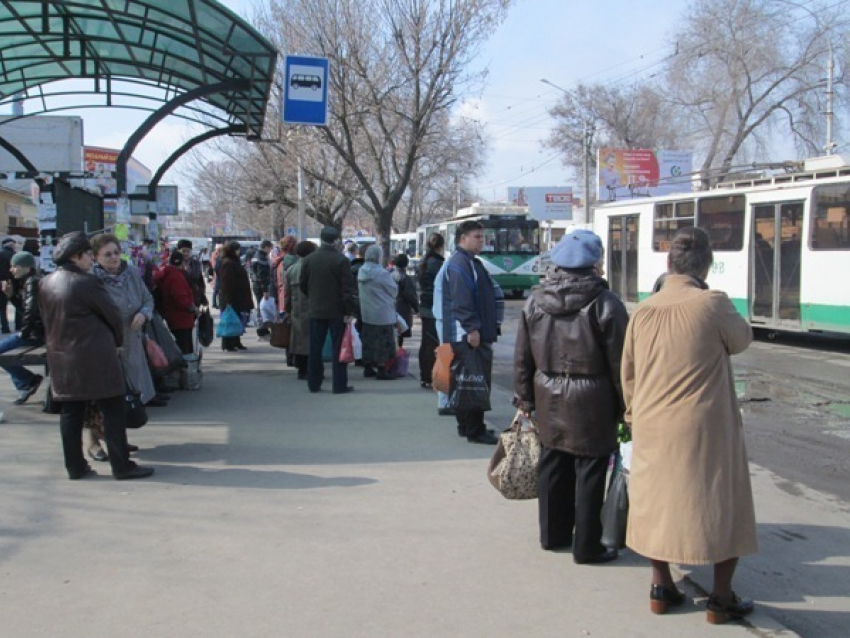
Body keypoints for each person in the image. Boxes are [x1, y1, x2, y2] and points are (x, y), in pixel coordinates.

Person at [622, 226, 757, 622]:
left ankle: (661, 587)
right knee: (721, 505)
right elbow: (742, 339)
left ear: (668, 265)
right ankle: (720, 597)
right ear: (707, 266)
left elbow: (627, 374)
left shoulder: (643, 310)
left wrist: (633, 415)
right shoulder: (712, 302)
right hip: (705, 428)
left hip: (651, 424)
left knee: (655, 506)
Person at [513, 229, 628, 564]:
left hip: (547, 394)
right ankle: (587, 545)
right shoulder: (606, 304)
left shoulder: (535, 301)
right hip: (593, 399)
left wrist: (525, 398)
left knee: (553, 462)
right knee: (590, 469)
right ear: (594, 263)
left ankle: (553, 535)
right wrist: (626, 406)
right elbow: (622, 362)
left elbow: (523, 356)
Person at [39, 231, 154, 480]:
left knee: (71, 413)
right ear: (77, 256)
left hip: (61, 358)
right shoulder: (87, 282)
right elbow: (112, 316)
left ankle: (75, 466)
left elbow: (44, 320)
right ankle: (121, 465)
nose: (91, 260)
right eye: (89, 255)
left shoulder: (46, 282)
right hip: (96, 356)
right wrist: (117, 341)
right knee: (112, 408)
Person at [437, 220, 500, 444]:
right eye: (477, 237)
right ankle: (474, 429)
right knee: (474, 382)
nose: (482, 241)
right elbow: (461, 300)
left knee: (464, 382)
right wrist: (472, 328)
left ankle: (467, 426)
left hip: (468, 333)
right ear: (463, 238)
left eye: (483, 237)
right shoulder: (459, 264)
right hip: (466, 335)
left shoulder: (470, 262)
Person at [91, 233, 160, 408]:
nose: (114, 257)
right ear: (96, 257)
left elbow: (147, 299)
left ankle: (136, 406)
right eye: (108, 254)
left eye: (116, 252)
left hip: (133, 335)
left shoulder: (132, 273)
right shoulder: (91, 280)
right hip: (108, 340)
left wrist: (144, 314)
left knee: (135, 374)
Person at [299, 226, 356, 394]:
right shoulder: (341, 260)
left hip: (316, 308)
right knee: (338, 347)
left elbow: (303, 284)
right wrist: (349, 311)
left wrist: (313, 298)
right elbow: (347, 289)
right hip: (337, 310)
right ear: (336, 241)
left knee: (315, 347)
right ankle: (339, 385)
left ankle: (314, 383)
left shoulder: (309, 259)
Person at [0, 251, 44, 404]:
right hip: (38, 332)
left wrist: (23, 334)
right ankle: (26, 381)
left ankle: (27, 381)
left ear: (26, 267)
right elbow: (26, 310)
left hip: (36, 334)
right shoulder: (31, 281)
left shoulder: (32, 282)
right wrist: (11, 296)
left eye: (14, 266)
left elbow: (31, 312)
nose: (11, 270)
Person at [358, 245, 399, 380]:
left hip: (367, 312)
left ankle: (368, 367)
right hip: (383, 313)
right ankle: (382, 369)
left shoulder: (361, 271)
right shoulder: (382, 273)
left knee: (368, 340)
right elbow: (393, 290)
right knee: (383, 342)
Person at [153, 250, 198, 355]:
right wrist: (191, 307)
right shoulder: (176, 276)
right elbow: (180, 297)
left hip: (173, 316)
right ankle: (184, 367)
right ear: (182, 262)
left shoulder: (167, 274)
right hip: (181, 317)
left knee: (181, 344)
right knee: (185, 347)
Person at [284, 241, 316, 380]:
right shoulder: (314, 268)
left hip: (296, 308)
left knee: (298, 339)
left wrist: (287, 310)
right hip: (312, 307)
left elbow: (287, 293)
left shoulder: (291, 269)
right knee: (312, 339)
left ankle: (301, 368)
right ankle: (311, 368)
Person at [417, 233, 445, 389]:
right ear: (441, 246)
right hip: (434, 306)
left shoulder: (425, 261)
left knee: (426, 343)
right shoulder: (437, 264)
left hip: (425, 305)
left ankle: (425, 376)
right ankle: (430, 376)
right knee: (433, 343)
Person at [218, 241, 254, 352]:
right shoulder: (228, 263)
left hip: (237, 296)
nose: (239, 251)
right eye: (237, 249)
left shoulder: (233, 261)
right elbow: (226, 283)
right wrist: (228, 300)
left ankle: (236, 341)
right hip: (231, 297)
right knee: (230, 320)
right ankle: (228, 344)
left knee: (236, 319)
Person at [392, 253, 418, 348]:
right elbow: (410, 295)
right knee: (400, 334)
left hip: (390, 308)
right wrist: (417, 308)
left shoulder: (390, 275)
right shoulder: (405, 278)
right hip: (402, 309)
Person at [176, 239, 208, 308]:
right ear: (178, 251)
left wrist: (201, 296)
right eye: (183, 251)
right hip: (179, 300)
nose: (186, 253)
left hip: (195, 299)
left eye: (188, 251)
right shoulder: (174, 264)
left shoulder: (196, 264)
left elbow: (200, 282)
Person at [0, 237, 20, 334]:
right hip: (13, 282)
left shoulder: (0, 254)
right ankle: (18, 325)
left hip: (1, 283)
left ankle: (5, 327)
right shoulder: (15, 255)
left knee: (2, 307)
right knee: (17, 304)